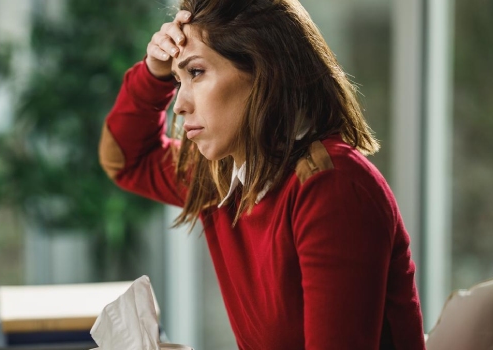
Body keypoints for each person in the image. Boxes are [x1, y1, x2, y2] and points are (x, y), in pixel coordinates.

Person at [99, 0, 426, 348]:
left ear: (263, 70)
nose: (178, 104)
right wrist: (154, 72)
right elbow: (126, 159)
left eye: (195, 73)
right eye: (178, 79)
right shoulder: (225, 176)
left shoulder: (332, 188)